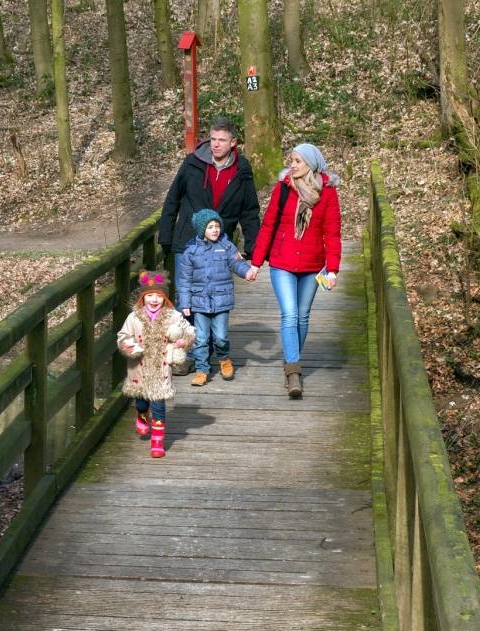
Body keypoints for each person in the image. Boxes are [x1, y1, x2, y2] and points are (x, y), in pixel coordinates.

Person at [246, 143, 342, 399]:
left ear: (311, 164)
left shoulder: (328, 194)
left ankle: (292, 361)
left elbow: (332, 234)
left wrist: (332, 270)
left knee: (302, 316)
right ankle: (293, 372)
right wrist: (255, 263)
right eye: (291, 160)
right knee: (289, 314)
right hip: (282, 262)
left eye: (297, 161)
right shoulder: (283, 189)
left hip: (312, 265)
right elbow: (268, 225)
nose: (292, 165)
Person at [158, 118, 262, 260]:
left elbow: (249, 210)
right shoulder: (192, 162)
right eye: (213, 139)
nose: (216, 145)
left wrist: (253, 248)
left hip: (221, 246)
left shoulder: (241, 168)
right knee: (184, 283)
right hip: (187, 244)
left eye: (222, 140)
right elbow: (172, 199)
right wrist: (165, 237)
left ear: (233, 142)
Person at [117, 271, 196, 458]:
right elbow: (123, 336)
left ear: (165, 298)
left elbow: (189, 331)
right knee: (142, 401)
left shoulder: (173, 316)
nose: (154, 300)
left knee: (159, 405)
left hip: (161, 368)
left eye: (159, 296)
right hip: (139, 367)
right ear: (143, 297)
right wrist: (132, 348)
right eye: (150, 296)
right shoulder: (134, 317)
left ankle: (157, 443)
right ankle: (141, 415)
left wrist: (183, 341)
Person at [176, 209, 252, 386]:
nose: (215, 230)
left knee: (220, 337)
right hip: (199, 302)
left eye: (217, 226)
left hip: (221, 300)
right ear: (202, 230)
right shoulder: (191, 252)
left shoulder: (226, 246)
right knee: (201, 338)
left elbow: (236, 263)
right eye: (210, 227)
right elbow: (184, 280)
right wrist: (185, 303)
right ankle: (202, 369)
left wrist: (246, 272)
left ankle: (224, 358)